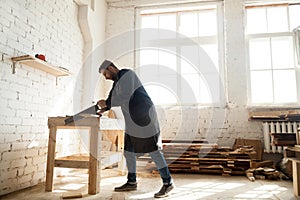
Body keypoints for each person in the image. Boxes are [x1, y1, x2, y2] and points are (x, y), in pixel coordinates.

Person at [97, 60, 174, 198]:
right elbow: (111, 100)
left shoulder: (127, 74)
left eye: (105, 74)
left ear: (110, 68)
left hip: (145, 118)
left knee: (154, 151)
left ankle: (168, 183)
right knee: (128, 151)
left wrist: (107, 103)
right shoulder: (116, 84)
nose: (106, 77)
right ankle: (131, 181)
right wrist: (103, 108)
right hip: (132, 121)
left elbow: (125, 96)